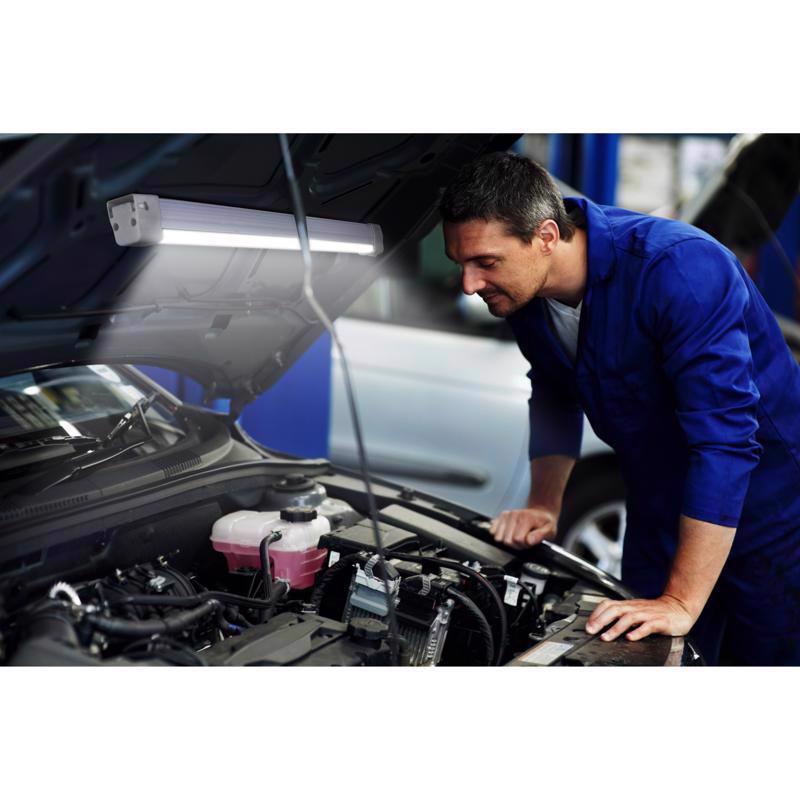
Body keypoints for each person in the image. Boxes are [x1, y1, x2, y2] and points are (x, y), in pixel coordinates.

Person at [439, 151, 800, 665]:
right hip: (656, 506)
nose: (469, 285)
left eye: (485, 262)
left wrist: (681, 601)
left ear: (546, 236)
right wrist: (544, 504)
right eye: (461, 264)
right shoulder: (525, 293)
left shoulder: (678, 268)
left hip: (767, 513)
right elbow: (555, 388)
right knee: (640, 657)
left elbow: (725, 443)